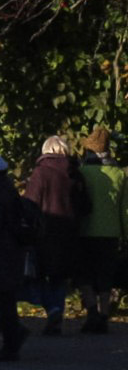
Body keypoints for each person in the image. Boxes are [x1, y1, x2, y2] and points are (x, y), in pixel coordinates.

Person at [24, 134, 81, 335]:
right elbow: (84, 204)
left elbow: (31, 204)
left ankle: (52, 309)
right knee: (59, 278)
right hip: (69, 233)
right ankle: (56, 318)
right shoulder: (75, 172)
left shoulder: (41, 173)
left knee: (36, 277)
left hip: (44, 232)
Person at [75, 126, 125, 334]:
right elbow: (125, 209)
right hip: (111, 232)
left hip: (84, 231)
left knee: (84, 274)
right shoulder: (119, 174)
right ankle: (104, 315)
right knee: (106, 275)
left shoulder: (82, 172)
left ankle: (91, 313)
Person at [0, 151, 30, 361]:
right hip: (9, 253)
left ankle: (11, 343)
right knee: (0, 302)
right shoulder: (5, 186)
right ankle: (12, 339)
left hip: (1, 254)